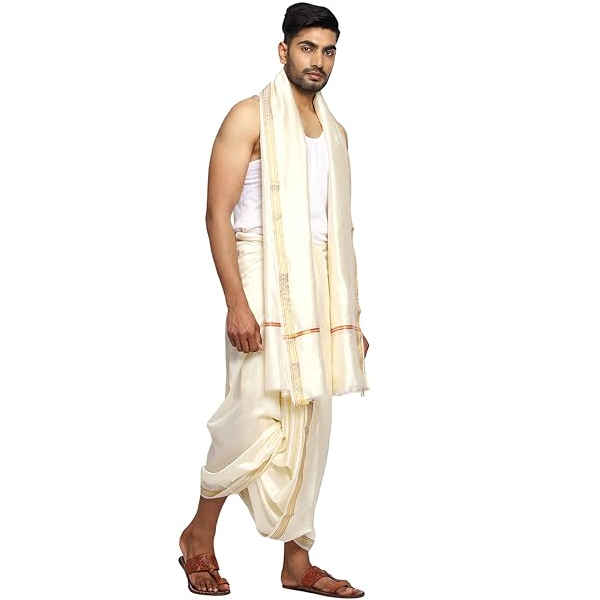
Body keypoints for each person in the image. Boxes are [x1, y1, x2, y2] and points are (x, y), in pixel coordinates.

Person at [178, 3, 369, 597]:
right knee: (253, 415)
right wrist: (236, 303)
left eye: (329, 51)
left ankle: (297, 562)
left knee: (312, 422)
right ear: (283, 50)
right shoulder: (248, 117)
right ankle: (198, 537)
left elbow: (337, 231)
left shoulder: (335, 132)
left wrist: (350, 320)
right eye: (308, 48)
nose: (319, 61)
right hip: (261, 279)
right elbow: (217, 215)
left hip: (321, 292)